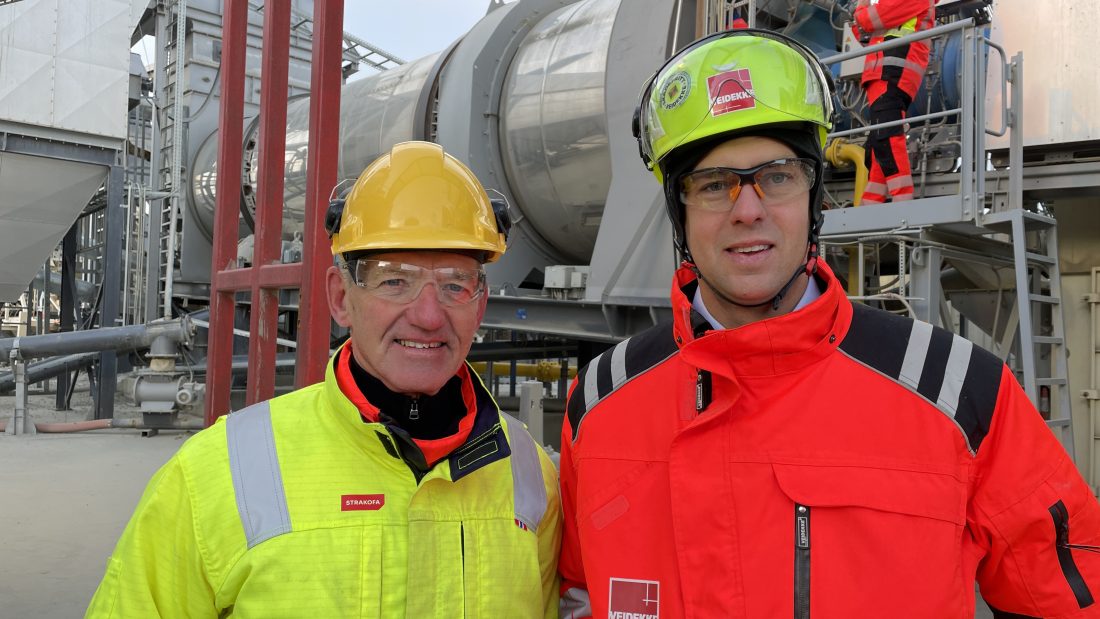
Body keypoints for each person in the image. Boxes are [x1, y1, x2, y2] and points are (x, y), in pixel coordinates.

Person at [558, 30, 1100, 618]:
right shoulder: (600, 401)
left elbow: (1064, 599)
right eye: (713, 185)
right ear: (678, 211)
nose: (748, 209)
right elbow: (577, 592)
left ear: (814, 195)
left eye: (778, 175)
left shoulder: (959, 391)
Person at [87, 141, 561, 617]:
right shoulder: (215, 474)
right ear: (340, 297)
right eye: (394, 280)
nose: (428, 315)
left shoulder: (530, 476)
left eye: (455, 283)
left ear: (479, 305)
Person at [851, 0, 935, 204]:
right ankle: (872, 200)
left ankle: (902, 202)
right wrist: (862, 19)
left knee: (887, 136)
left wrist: (861, 9)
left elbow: (868, 21)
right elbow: (860, 34)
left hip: (893, 70)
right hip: (884, 70)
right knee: (878, 141)